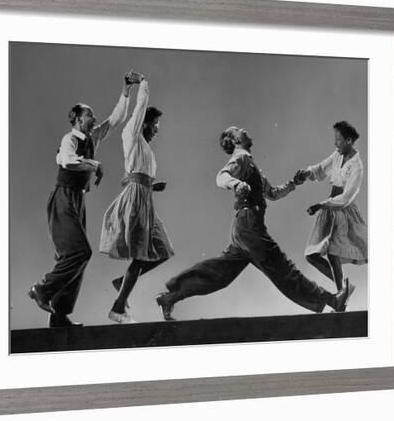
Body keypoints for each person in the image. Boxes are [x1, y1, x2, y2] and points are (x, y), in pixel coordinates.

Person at [155, 126, 351, 321]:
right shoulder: (240, 159)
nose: (244, 129)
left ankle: (170, 298)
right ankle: (333, 301)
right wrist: (237, 184)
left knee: (218, 275)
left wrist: (293, 183)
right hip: (249, 226)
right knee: (282, 268)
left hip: (243, 228)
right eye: (238, 130)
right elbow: (221, 176)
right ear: (235, 141)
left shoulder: (250, 163)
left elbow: (272, 193)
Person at [28, 72, 137, 328]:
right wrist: (95, 164)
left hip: (78, 201)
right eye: (89, 115)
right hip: (63, 200)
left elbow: (116, 118)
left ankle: (59, 316)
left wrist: (125, 91)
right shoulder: (70, 140)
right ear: (77, 119)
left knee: (75, 258)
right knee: (79, 252)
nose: (94, 118)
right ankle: (41, 289)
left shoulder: (92, 137)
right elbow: (66, 161)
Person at [99, 74, 174, 323]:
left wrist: (152, 185)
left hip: (144, 201)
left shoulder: (145, 150)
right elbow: (140, 106)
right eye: (153, 126)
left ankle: (122, 283)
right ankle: (118, 308)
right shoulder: (131, 134)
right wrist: (142, 82)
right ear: (143, 123)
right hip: (135, 203)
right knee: (141, 256)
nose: (155, 131)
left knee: (162, 251)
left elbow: (128, 176)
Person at [295, 121, 367, 301]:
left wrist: (320, 205)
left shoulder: (357, 166)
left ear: (349, 141)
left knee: (334, 253)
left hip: (342, 211)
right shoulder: (337, 155)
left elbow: (346, 197)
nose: (336, 144)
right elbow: (321, 169)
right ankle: (343, 289)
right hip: (329, 208)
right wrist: (306, 173)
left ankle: (341, 295)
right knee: (312, 255)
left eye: (339, 140)